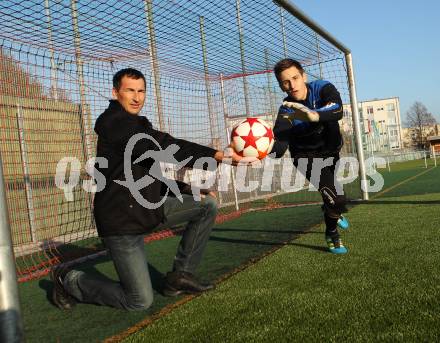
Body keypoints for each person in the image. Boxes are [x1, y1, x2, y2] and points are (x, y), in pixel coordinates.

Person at [51, 68, 250, 310]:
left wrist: (186, 188)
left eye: (141, 91)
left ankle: (180, 276)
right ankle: (68, 280)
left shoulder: (138, 125)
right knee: (139, 300)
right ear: (116, 93)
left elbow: (147, 175)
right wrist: (217, 155)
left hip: (148, 210)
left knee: (206, 205)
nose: (136, 97)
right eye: (129, 90)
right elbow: (165, 146)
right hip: (121, 221)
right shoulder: (113, 123)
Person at [270, 58, 349, 254]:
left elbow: (337, 109)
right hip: (305, 158)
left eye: (295, 78)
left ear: (303, 76)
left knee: (330, 194)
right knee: (337, 199)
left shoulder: (322, 88)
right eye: (285, 82)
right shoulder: (286, 110)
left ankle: (331, 209)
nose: (292, 84)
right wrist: (257, 151)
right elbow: (279, 148)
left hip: (331, 151)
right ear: (281, 86)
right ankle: (331, 233)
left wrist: (314, 115)